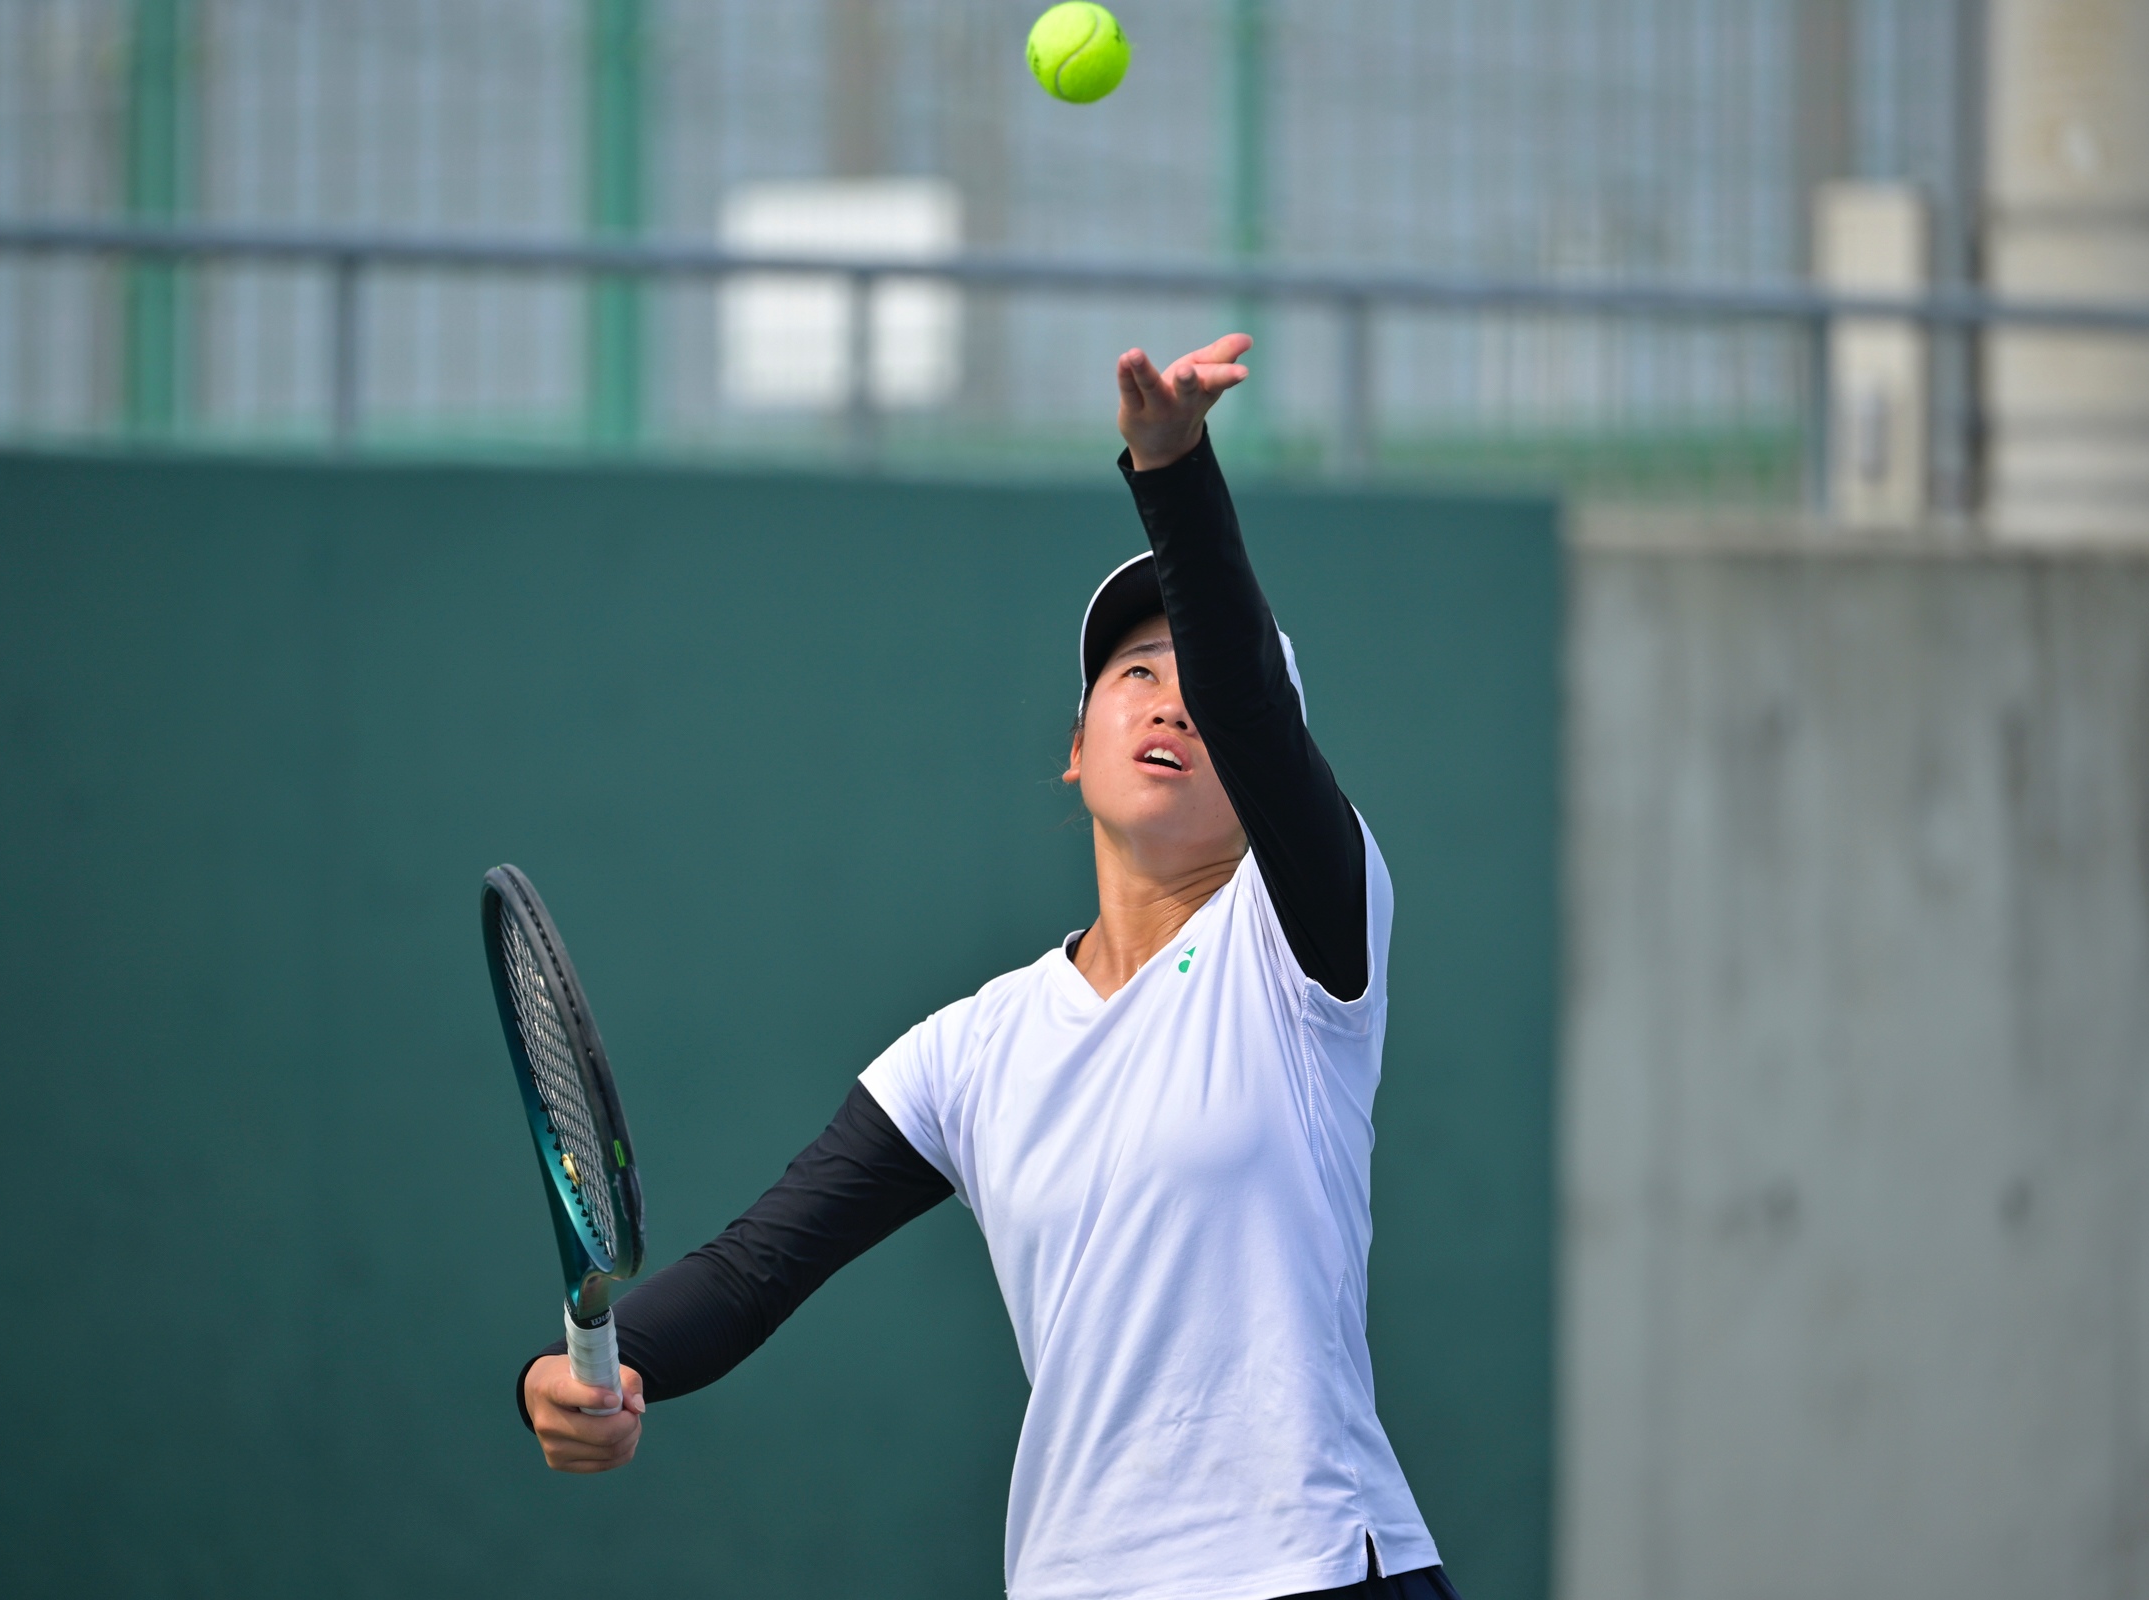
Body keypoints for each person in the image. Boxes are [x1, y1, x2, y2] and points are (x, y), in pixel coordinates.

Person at [517, 334, 1461, 1600]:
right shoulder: (969, 1051)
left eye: (1203, 685)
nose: (1171, 702)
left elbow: (1246, 696)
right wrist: (582, 1366)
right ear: (1075, 748)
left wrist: (1171, 468)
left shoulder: (1304, 944)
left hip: (1315, 1568)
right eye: (1136, 673)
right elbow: (752, 1269)